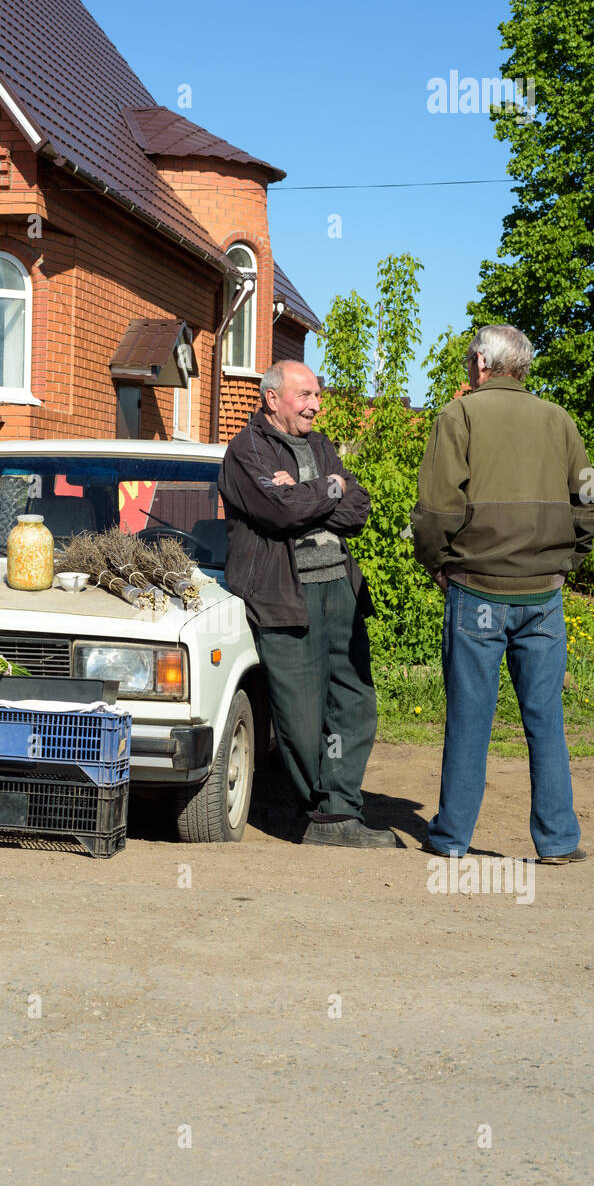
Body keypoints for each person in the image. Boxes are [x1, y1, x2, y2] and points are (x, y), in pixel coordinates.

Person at [411, 324, 594, 863]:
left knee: (471, 717)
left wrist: (439, 566)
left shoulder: (460, 416)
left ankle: (451, 838)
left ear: (480, 362)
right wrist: (563, 565)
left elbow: (435, 513)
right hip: (544, 596)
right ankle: (560, 841)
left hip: (475, 590)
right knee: (546, 720)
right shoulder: (560, 420)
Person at [218, 360, 396, 847]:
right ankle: (323, 813)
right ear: (272, 399)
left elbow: (358, 508)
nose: (316, 405)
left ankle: (340, 809)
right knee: (299, 714)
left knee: (353, 702)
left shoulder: (319, 445)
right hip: (282, 597)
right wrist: (325, 491)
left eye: (318, 395)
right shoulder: (246, 450)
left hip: (340, 588)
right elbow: (280, 511)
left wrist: (314, 491)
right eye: (305, 396)